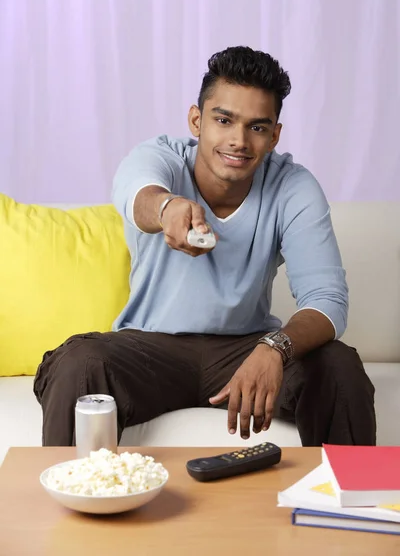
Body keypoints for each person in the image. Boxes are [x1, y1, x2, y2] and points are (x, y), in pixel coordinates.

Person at [34, 46, 376, 447]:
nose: (238, 141)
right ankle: (68, 506)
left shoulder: (293, 186)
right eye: (224, 120)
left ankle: (349, 506)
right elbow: (139, 194)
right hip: (150, 348)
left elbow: (328, 299)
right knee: (80, 362)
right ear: (197, 120)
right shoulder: (158, 157)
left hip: (244, 349)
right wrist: (168, 208)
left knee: (338, 364)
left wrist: (274, 348)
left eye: (257, 127)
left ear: (274, 136)